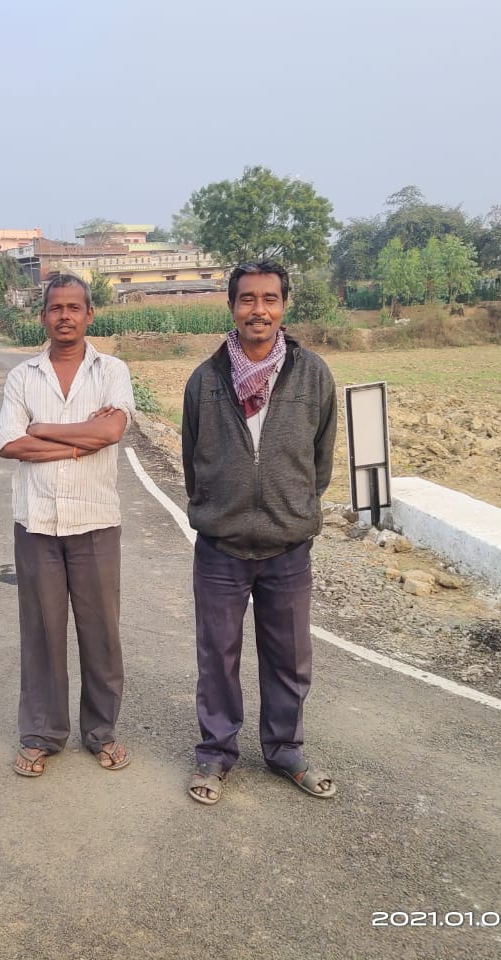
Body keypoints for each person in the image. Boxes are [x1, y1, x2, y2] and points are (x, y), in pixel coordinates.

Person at [180, 260, 338, 805]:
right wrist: (218, 507)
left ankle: (285, 749)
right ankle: (215, 752)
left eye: (269, 299)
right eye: (247, 299)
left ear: (283, 306)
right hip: (221, 547)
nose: (259, 310)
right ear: (232, 306)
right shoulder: (205, 380)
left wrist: (293, 508)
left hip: (287, 545)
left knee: (289, 657)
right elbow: (193, 461)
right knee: (217, 658)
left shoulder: (312, 375)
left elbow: (320, 460)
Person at [0, 273, 135, 778]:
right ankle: (41, 735)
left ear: (89, 315)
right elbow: (11, 444)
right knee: (41, 634)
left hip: (95, 521)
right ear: (43, 317)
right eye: (56, 308)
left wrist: (45, 430)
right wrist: (81, 442)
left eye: (75, 307)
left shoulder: (112, 371)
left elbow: (111, 431)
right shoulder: (22, 376)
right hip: (36, 523)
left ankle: (102, 732)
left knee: (101, 635)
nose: (65, 316)